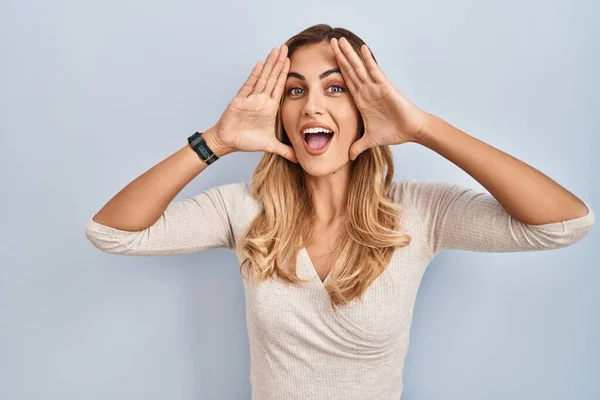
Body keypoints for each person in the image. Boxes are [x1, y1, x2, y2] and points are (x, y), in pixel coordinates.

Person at [85, 24, 594, 400]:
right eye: (294, 90)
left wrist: (422, 127)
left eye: (335, 89)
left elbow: (564, 223)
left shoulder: (419, 212)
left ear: (365, 110)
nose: (312, 107)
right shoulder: (242, 210)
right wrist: (215, 142)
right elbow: (112, 233)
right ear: (282, 116)